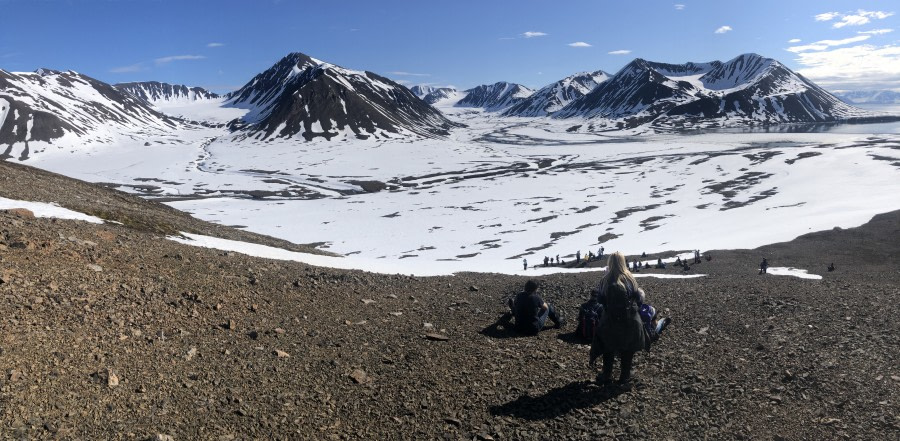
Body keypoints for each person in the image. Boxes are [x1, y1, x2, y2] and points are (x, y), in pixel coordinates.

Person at [590, 252, 650, 385]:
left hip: (610, 320)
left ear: (610, 263)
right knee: (627, 349)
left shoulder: (605, 280)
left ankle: (607, 374)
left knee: (608, 347)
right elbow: (639, 299)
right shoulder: (630, 278)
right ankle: (625, 376)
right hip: (630, 320)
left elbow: (600, 299)